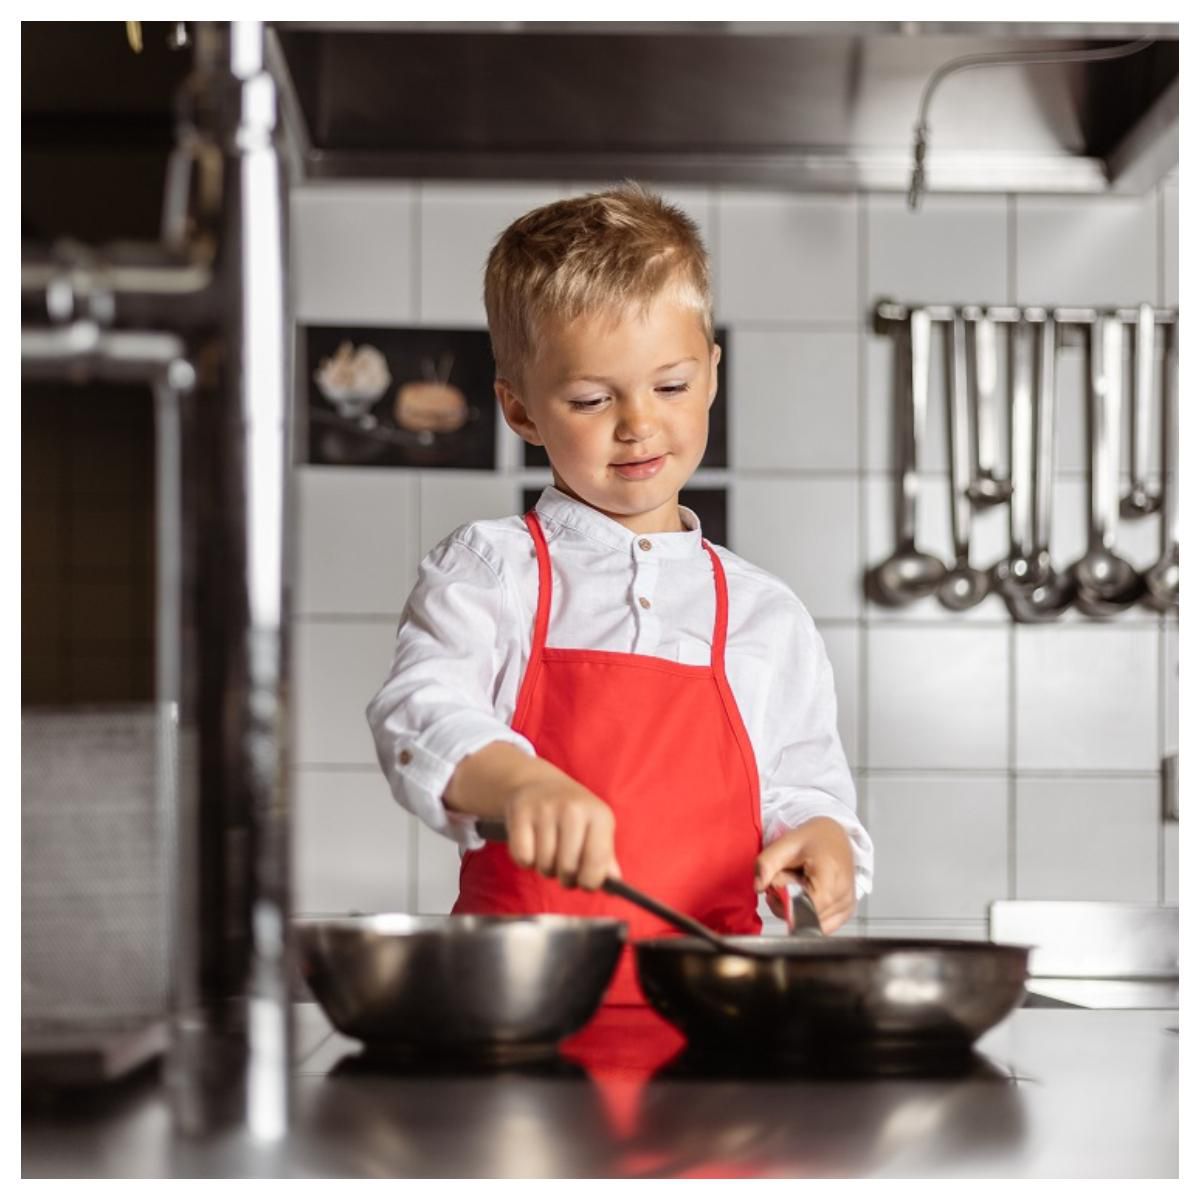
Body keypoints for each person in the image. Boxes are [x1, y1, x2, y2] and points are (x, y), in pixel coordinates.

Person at [367, 181, 873, 1006]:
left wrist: (819, 842)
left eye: (669, 386)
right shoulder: (495, 571)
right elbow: (417, 713)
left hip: (717, 1015)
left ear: (712, 374)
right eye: (592, 399)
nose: (637, 423)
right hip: (517, 1006)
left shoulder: (764, 613)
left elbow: (800, 788)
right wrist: (518, 781)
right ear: (521, 410)